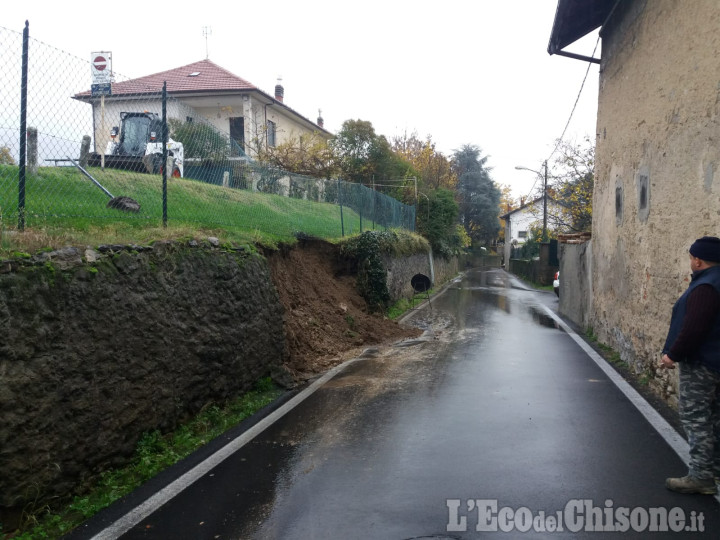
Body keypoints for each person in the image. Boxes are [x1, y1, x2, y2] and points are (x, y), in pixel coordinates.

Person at [660, 236, 720, 495]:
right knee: (715, 418)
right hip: (715, 361)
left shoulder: (706, 287)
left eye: (691, 258)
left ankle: (701, 477)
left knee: (697, 419)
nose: (690, 262)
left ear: (698, 260)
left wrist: (673, 354)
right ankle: (713, 467)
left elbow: (695, 328)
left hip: (702, 363)